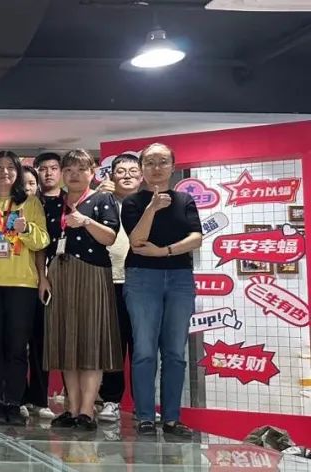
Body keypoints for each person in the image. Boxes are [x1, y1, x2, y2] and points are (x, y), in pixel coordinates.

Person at [121, 143, 201, 437]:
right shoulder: (132, 202)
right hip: (142, 279)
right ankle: (145, 416)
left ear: (172, 166)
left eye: (163, 162)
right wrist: (152, 208)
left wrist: (164, 251)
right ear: (142, 168)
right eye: (150, 162)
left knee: (175, 352)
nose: (156, 167)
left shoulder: (185, 200)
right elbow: (136, 241)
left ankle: (171, 418)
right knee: (144, 350)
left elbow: (196, 238)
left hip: (180, 278)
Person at [42, 150, 122, 431]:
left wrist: (86, 221)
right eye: (68, 170)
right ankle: (71, 408)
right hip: (58, 273)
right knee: (66, 340)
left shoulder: (102, 199)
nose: (74, 175)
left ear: (92, 172)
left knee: (90, 340)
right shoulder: (54, 204)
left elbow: (110, 237)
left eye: (80, 169)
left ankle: (88, 410)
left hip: (92, 272)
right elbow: (45, 245)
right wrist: (43, 277)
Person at [0, 151, 50, 425]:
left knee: (17, 347)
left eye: (10, 168)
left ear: (17, 172)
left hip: (22, 284)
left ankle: (14, 402)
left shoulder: (31, 202)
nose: (4, 172)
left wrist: (26, 230)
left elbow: (42, 242)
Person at [94, 153, 142, 423]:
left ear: (141, 176)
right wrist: (98, 195)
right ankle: (111, 400)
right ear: (111, 175)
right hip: (108, 280)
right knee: (112, 344)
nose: (126, 176)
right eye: (121, 171)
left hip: (141, 282)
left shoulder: (149, 203)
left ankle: (142, 404)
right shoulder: (102, 201)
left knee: (141, 346)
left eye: (133, 171)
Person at [26, 152, 62, 420]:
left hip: (59, 275)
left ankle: (40, 397)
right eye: (43, 169)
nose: (48, 173)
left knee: (43, 342)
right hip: (25, 276)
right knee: (22, 340)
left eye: (54, 168)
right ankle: (20, 397)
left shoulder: (68, 202)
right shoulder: (27, 203)